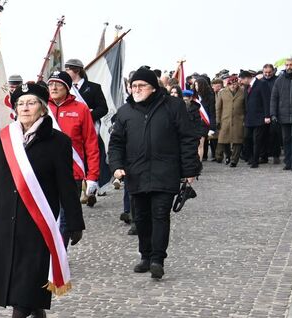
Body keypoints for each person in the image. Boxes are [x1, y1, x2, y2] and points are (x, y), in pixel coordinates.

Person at [0, 81, 84, 318]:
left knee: (30, 268)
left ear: (43, 108)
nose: (24, 107)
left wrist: (75, 220)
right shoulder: (5, 137)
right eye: (20, 103)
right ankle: (36, 309)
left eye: (31, 102)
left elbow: (66, 185)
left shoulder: (58, 142)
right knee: (10, 268)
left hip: (39, 219)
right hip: (5, 216)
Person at [108, 67, 201, 280]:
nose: (137, 89)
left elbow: (187, 138)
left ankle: (158, 259)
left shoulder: (174, 106)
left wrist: (189, 170)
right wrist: (116, 166)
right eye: (133, 86)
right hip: (136, 172)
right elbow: (116, 143)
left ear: (153, 87)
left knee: (160, 215)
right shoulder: (124, 112)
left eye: (141, 86)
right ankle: (145, 256)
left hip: (165, 171)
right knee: (140, 217)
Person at [46, 70, 99, 223]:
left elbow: (91, 143)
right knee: (47, 218)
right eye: (51, 84)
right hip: (45, 171)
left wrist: (93, 176)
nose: (54, 88)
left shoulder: (81, 109)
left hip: (72, 172)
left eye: (58, 84)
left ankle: (62, 246)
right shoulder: (41, 107)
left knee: (65, 219)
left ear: (67, 87)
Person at [64, 58, 110, 193]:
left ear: (76, 70)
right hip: (73, 130)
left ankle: (92, 186)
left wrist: (86, 117)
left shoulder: (94, 87)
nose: (66, 72)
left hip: (90, 128)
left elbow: (103, 108)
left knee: (92, 156)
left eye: (68, 69)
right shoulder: (66, 89)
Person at [215, 75, 246, 167]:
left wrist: (244, 119)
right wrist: (218, 120)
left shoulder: (243, 92)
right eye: (231, 84)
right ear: (227, 85)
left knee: (238, 141)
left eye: (235, 84)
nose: (233, 86)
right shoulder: (222, 93)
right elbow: (218, 108)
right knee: (224, 140)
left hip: (239, 120)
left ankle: (234, 160)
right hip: (225, 119)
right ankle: (228, 155)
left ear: (238, 84)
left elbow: (246, 107)